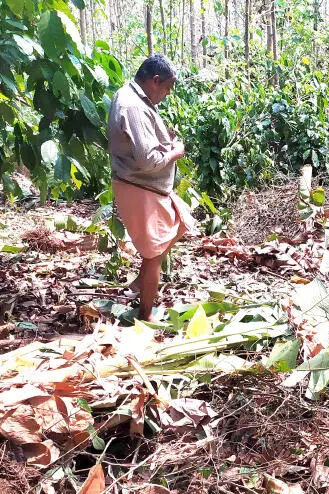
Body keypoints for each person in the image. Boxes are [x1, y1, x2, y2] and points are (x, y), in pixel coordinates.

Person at [107, 54, 196, 322]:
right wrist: (176, 152)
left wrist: (164, 143)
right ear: (155, 80)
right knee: (154, 254)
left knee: (181, 223)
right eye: (167, 88)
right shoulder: (133, 105)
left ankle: (141, 280)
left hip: (146, 185)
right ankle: (145, 315)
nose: (167, 94)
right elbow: (148, 161)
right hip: (139, 185)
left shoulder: (135, 98)